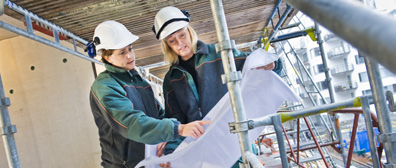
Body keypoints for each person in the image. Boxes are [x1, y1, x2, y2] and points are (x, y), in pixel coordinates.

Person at [152, 6, 282, 164]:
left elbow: (254, 65)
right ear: (167, 45)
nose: (180, 43)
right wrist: (170, 151)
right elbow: (176, 121)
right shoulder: (171, 80)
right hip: (203, 151)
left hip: (235, 142)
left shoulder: (221, 54)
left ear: (190, 31)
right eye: (172, 41)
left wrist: (274, 63)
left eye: (182, 35)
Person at [89, 20, 210, 168]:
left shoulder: (140, 83)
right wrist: (178, 129)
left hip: (149, 162)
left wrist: (166, 150)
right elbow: (131, 123)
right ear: (107, 57)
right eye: (122, 52)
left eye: (130, 49)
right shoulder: (105, 86)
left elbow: (158, 116)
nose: (129, 55)